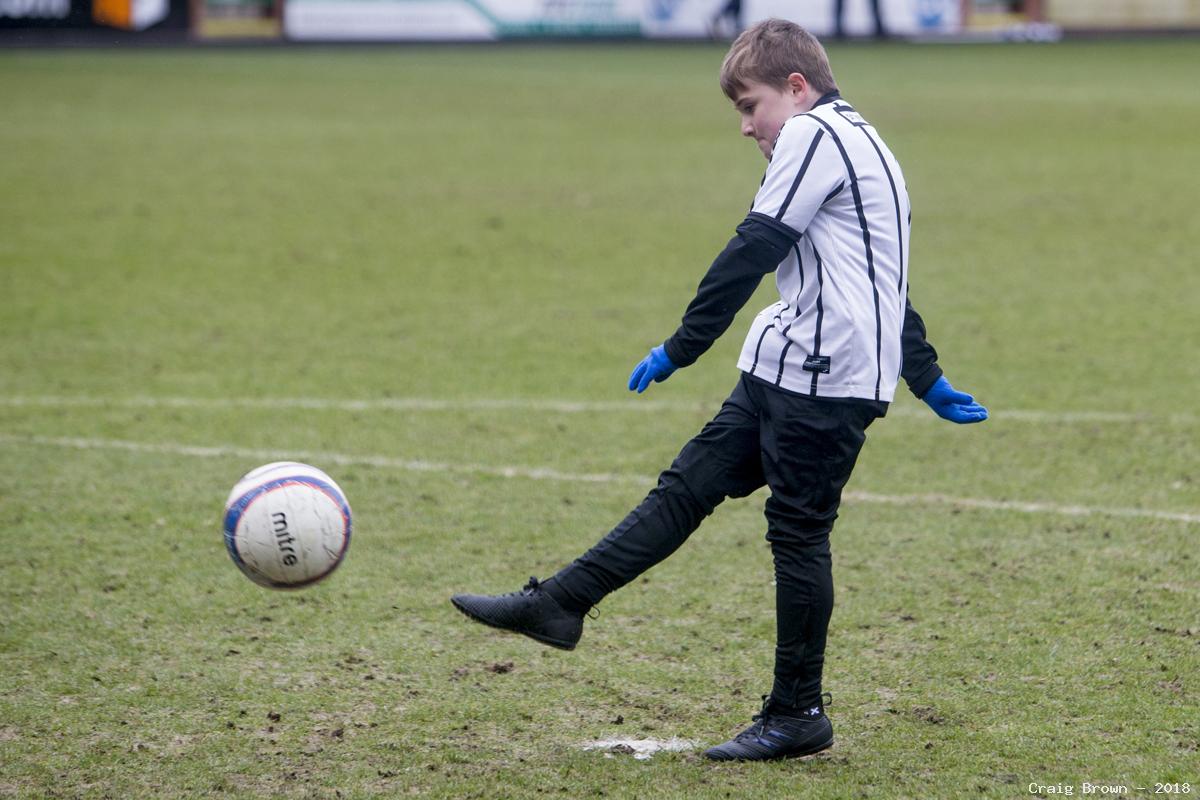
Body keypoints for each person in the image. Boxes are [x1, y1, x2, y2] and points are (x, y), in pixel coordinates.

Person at [451, 18, 987, 762]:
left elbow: (756, 245)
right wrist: (923, 374)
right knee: (685, 488)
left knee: (798, 535)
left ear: (797, 88)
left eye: (749, 105)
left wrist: (683, 345)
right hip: (787, 363)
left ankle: (797, 711)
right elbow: (875, 271)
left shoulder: (813, 135)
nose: (745, 126)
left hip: (822, 380)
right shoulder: (858, 139)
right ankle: (560, 604)